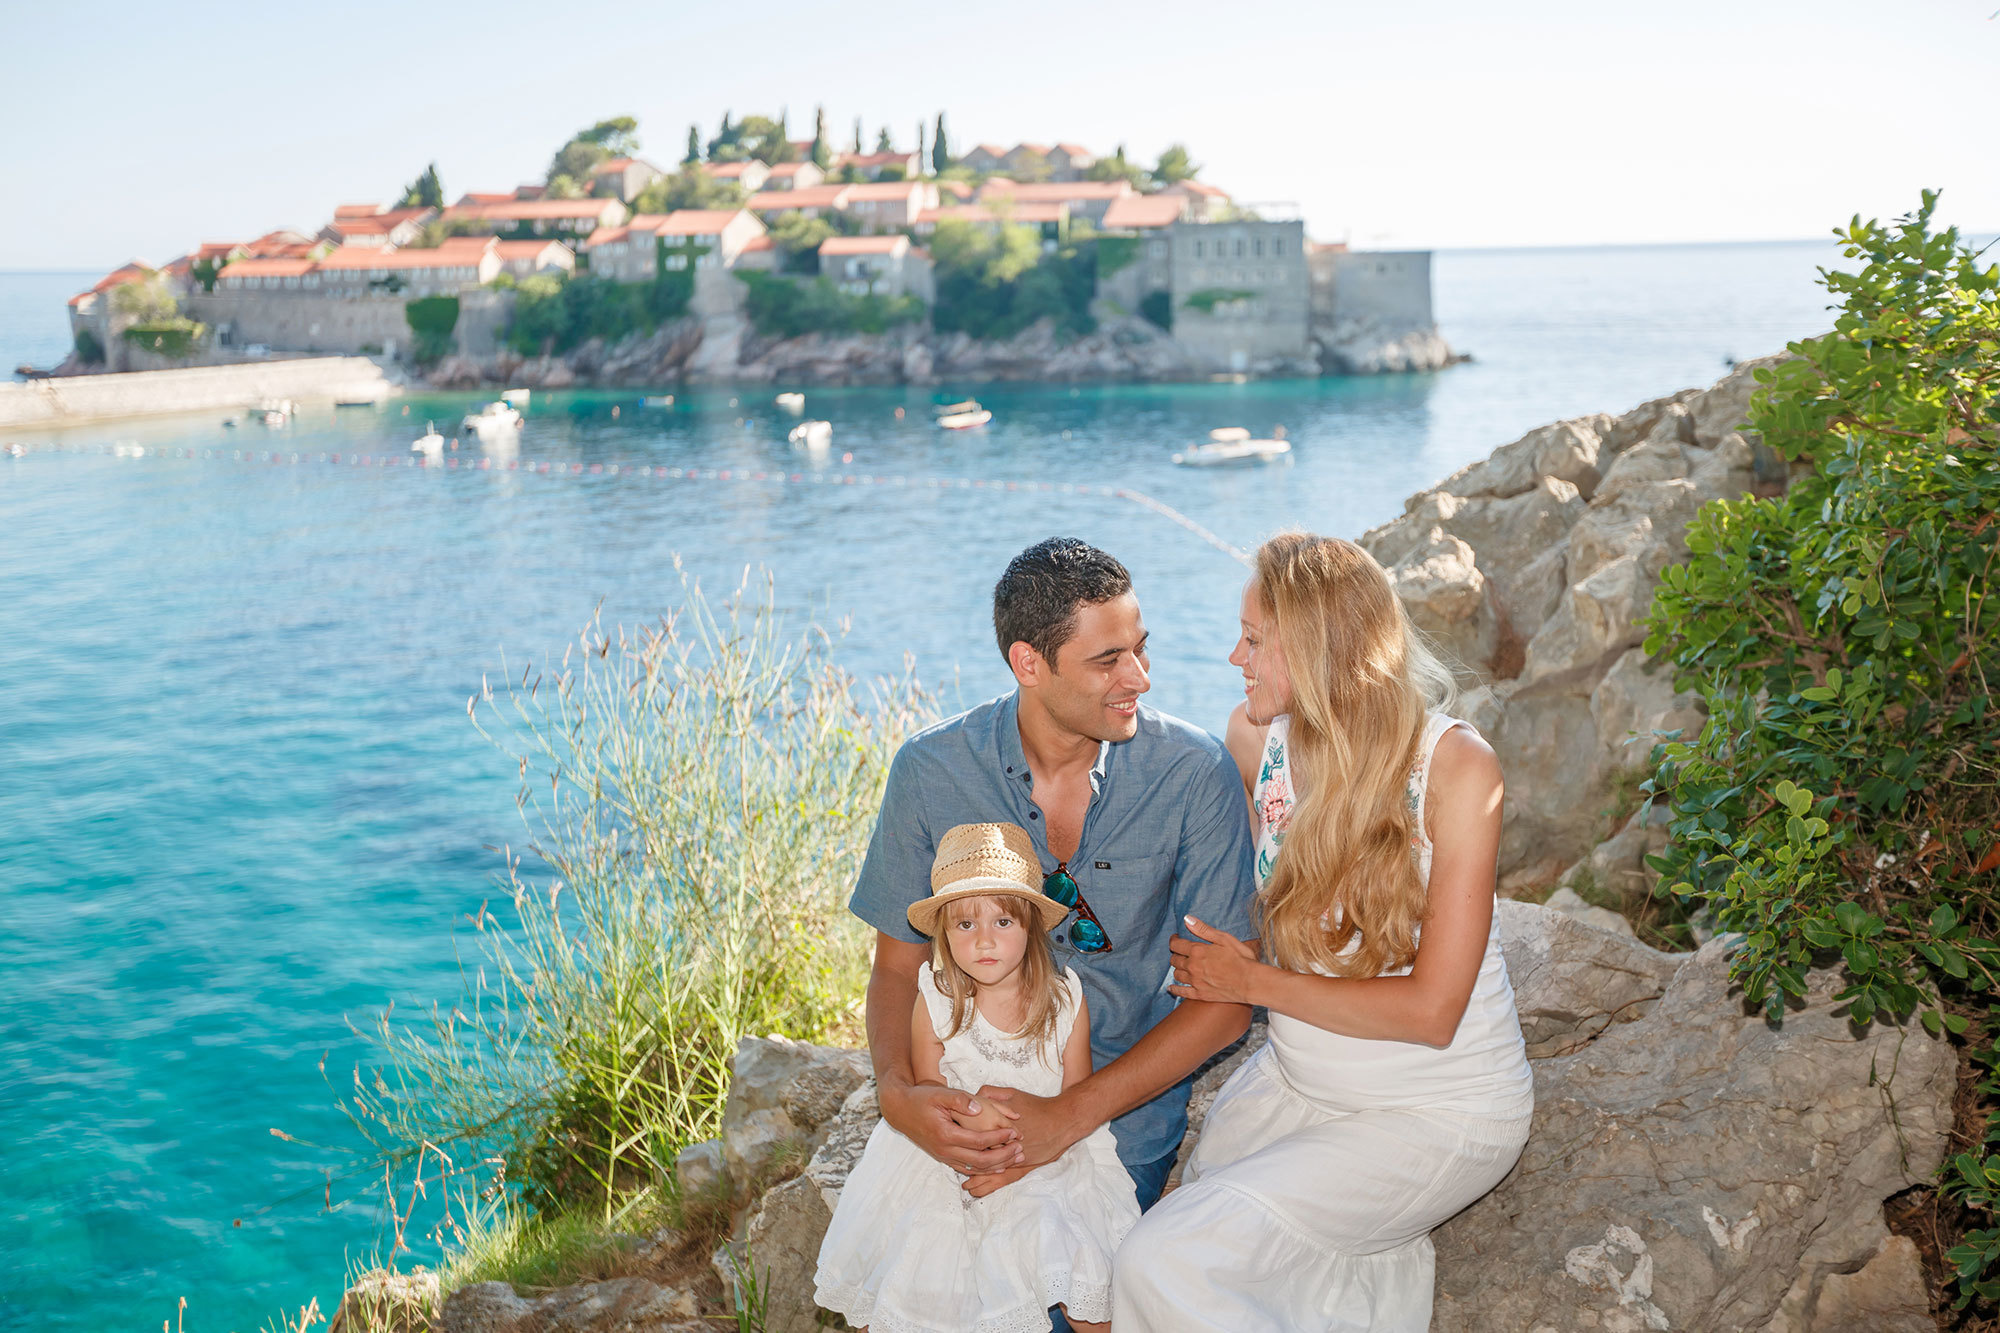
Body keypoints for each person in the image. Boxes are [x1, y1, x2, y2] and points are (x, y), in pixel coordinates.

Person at [1113, 531, 1535, 1332]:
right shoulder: (1256, 741)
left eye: (1255, 638)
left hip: (1434, 1111)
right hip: (1302, 1091)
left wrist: (1254, 982)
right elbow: (1256, 911)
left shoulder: (1453, 768)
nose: (1233, 654)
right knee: (1197, 1251)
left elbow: (1432, 1010)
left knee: (1160, 1260)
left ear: (1319, 648)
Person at [849, 537, 1258, 1216]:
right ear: (1028, 662)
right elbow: (898, 968)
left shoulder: (1194, 775)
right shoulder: (930, 770)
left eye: (1139, 648)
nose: (1139, 677)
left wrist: (1067, 1116)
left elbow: (1225, 1004)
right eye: (1107, 661)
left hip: (1120, 1108)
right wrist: (899, 1096)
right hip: (966, 1097)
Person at [815, 822, 1140, 1333]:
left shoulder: (1064, 1003)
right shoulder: (938, 1000)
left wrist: (1023, 1153)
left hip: (1046, 1156)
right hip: (949, 1158)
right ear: (943, 932)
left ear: (1031, 925)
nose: (984, 940)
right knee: (916, 1263)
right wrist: (974, 1114)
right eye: (965, 925)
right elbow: (930, 1096)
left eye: (1003, 922)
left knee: (1070, 1255)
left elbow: (1076, 1101)